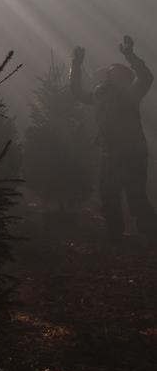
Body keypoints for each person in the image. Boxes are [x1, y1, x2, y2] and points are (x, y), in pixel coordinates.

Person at [70, 36, 156, 243]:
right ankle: (117, 236)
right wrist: (75, 65)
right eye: (109, 73)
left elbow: (146, 77)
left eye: (114, 73)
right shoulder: (100, 95)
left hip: (132, 153)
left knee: (135, 196)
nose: (108, 75)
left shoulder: (130, 93)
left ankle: (151, 234)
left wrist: (129, 55)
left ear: (124, 78)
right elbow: (78, 93)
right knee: (109, 195)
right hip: (112, 153)